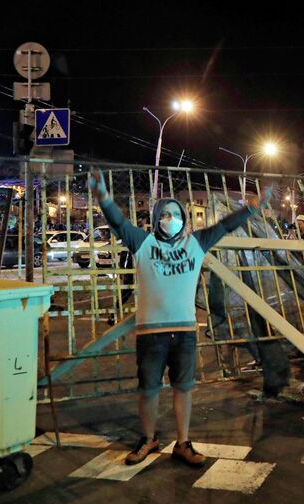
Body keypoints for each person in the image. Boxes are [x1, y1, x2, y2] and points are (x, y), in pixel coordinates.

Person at [89, 171, 260, 468]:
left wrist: (251, 208)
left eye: (175, 213)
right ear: (156, 220)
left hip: (184, 333)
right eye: (165, 214)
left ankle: (183, 443)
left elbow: (225, 225)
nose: (170, 218)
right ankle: (149, 438)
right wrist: (103, 197)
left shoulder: (196, 243)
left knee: (183, 387)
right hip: (150, 333)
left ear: (184, 218)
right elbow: (118, 222)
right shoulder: (142, 243)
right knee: (149, 389)